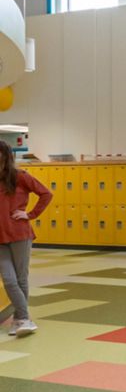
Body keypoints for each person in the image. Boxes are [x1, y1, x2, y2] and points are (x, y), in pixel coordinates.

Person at [0, 141, 52, 337]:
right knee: (9, 279)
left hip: (19, 234)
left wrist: (30, 214)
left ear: (5, 156)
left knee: (20, 278)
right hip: (0, 237)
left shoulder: (20, 177)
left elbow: (46, 193)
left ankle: (20, 319)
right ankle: (23, 318)